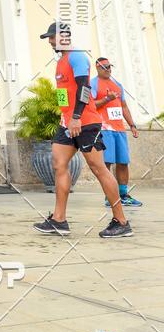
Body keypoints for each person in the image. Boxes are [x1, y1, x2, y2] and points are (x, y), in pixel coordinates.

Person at [33, 23, 132, 238]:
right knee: (59, 164)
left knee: (99, 168)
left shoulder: (77, 57)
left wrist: (77, 116)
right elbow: (63, 94)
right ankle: (59, 220)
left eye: (52, 37)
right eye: (49, 38)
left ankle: (121, 221)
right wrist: (65, 115)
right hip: (67, 124)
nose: (50, 41)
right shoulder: (60, 63)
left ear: (64, 37)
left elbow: (85, 89)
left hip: (86, 122)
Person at [91, 57, 142, 208]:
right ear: (98, 68)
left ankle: (123, 194)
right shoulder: (93, 84)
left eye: (110, 67)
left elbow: (124, 106)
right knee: (106, 162)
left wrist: (132, 125)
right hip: (104, 129)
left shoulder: (117, 84)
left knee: (123, 162)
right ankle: (109, 196)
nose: (108, 69)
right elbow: (90, 105)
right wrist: (107, 98)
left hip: (119, 128)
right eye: (105, 67)